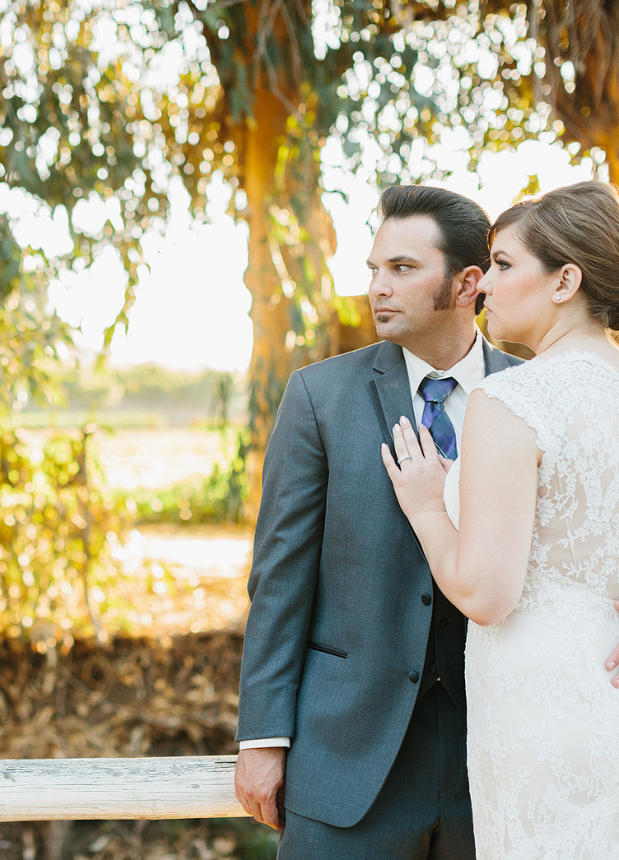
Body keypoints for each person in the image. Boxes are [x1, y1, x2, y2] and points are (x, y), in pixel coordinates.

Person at [382, 180, 619, 856]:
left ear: (564, 281)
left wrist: (429, 507)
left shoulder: (513, 399)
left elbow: (486, 594)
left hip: (541, 710)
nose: (482, 286)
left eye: (502, 264)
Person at [234, 185, 540, 858]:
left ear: (467, 283)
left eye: (401, 269)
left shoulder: (535, 393)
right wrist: (261, 737)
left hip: (497, 756)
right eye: (373, 269)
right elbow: (279, 578)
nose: (377, 287)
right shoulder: (318, 396)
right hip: (345, 753)